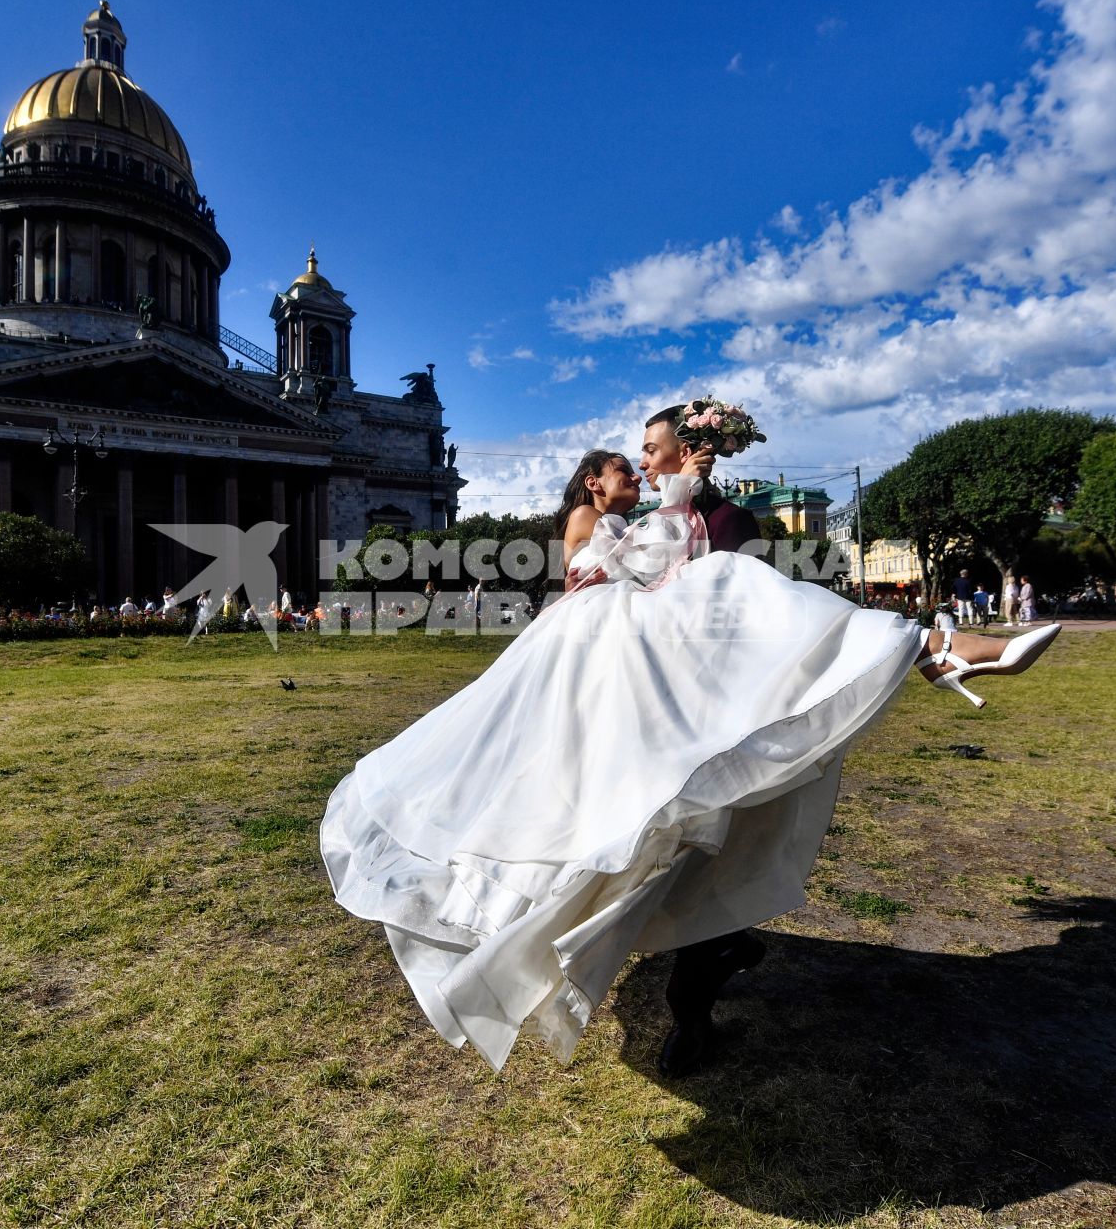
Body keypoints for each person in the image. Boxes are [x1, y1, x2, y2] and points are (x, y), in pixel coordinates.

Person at [321, 414, 1062, 1077]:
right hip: (620, 681)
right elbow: (618, 570)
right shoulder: (600, 520)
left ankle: (934, 647)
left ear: (688, 447)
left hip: (677, 690)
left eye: (648, 453)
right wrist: (676, 503)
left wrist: (686, 505)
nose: (638, 470)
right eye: (628, 462)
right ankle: (935, 649)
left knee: (736, 587)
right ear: (594, 482)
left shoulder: (721, 516)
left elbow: (713, 589)